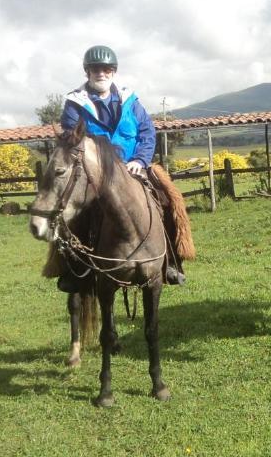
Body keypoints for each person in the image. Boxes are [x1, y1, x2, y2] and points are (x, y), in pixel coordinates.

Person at [53, 44, 188, 291]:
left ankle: (171, 261)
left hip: (134, 165)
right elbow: (73, 138)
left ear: (113, 72)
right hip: (97, 173)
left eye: (106, 69)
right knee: (75, 212)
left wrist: (140, 160)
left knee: (167, 199)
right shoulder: (75, 103)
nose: (100, 73)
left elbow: (147, 131)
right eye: (95, 69)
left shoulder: (130, 100)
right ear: (87, 73)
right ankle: (75, 271)